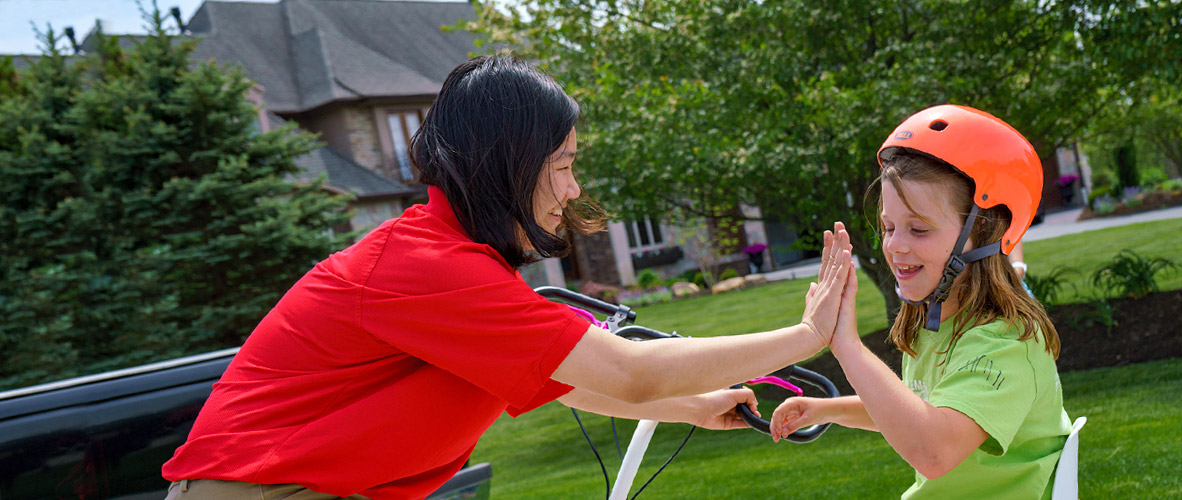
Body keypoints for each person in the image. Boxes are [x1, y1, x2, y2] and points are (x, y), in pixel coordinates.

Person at [161, 55, 855, 500]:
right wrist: (804, 334)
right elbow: (629, 371)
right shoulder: (425, 268)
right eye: (562, 164)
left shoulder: (454, 265)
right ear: (509, 162)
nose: (572, 188)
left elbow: (569, 380)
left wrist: (692, 407)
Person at [769, 105, 1072, 499]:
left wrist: (845, 346)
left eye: (918, 229)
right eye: (889, 226)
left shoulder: (1007, 343)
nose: (894, 245)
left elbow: (934, 449)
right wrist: (827, 409)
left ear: (983, 232)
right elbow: (919, 412)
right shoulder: (941, 323)